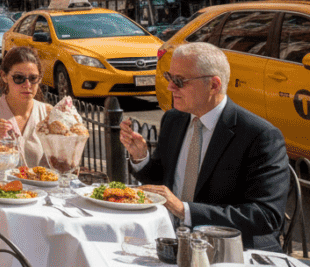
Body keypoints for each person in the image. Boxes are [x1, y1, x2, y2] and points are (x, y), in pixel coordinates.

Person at [120, 42, 288, 251]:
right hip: (172, 241)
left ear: (214, 85)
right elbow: (162, 182)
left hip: (233, 251)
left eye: (180, 81)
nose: (171, 87)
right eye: (169, 78)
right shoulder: (174, 119)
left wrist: (185, 210)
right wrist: (140, 157)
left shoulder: (259, 135)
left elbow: (265, 215)